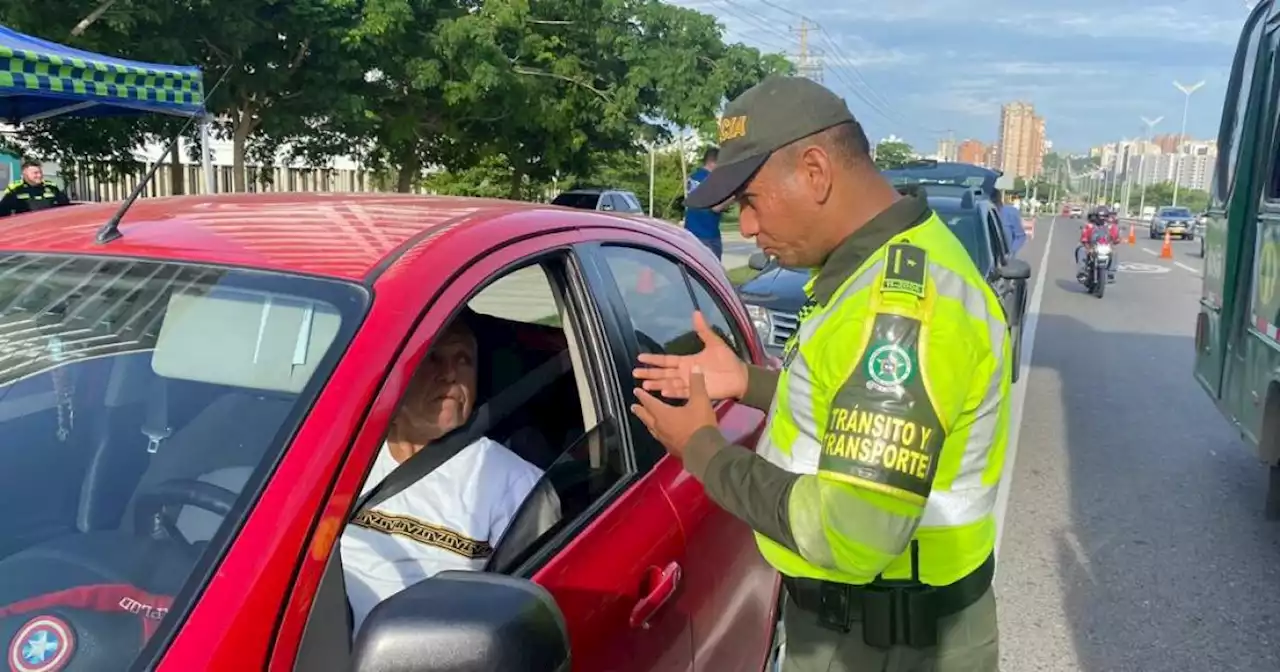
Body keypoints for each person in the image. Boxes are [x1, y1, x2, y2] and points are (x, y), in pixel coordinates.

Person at [630, 76, 1009, 672]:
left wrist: (702, 448)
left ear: (814, 171)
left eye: (750, 201)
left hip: (888, 642)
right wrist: (748, 382)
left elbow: (849, 533)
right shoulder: (883, 268)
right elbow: (854, 407)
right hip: (874, 624)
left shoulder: (899, 311)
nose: (747, 229)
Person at [340, 318, 558, 634]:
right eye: (433, 357)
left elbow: (523, 627)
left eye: (464, 360)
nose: (450, 374)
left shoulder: (518, 486)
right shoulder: (345, 458)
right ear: (392, 373)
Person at [684, 147, 724, 259]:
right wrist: (734, 196)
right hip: (708, 234)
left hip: (690, 231)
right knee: (712, 271)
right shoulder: (713, 179)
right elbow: (716, 208)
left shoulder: (692, 178)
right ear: (713, 162)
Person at [0, 161, 70, 217]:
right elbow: (3, 211)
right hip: (26, 228)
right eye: (35, 173)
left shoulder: (51, 187)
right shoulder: (16, 189)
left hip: (49, 225)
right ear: (25, 174)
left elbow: (66, 206)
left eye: (40, 172)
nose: (39, 175)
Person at [1077, 207, 1120, 283]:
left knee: (1115, 252)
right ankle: (1082, 272)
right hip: (1092, 247)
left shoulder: (1110, 227)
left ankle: (1110, 273)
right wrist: (1088, 247)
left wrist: (1115, 241)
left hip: (1105, 248)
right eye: (1100, 216)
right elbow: (1084, 238)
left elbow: (1115, 238)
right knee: (1081, 250)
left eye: (1104, 216)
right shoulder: (1090, 226)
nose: (1102, 218)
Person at [992, 189, 1026, 257]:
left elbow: (1020, 236)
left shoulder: (1011, 213)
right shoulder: (979, 215)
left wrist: (1011, 251)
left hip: (1005, 260)